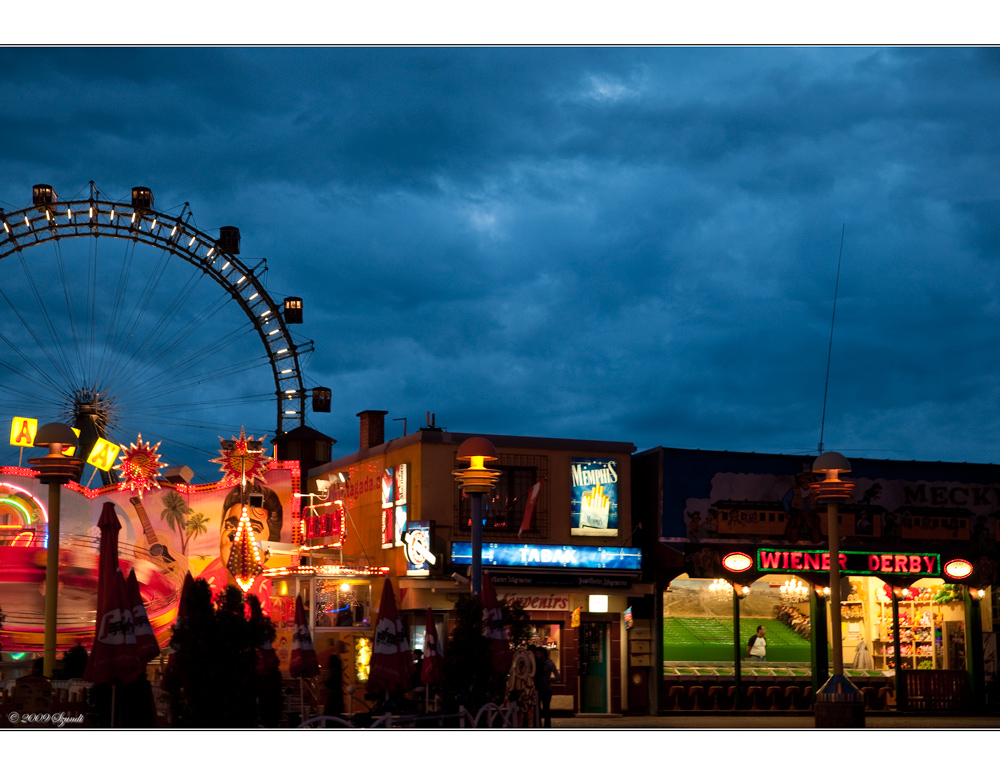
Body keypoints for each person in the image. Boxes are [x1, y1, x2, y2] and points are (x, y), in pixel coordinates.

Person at [533, 646, 561, 727]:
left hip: (546, 690)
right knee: (537, 710)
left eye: (538, 654)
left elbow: (558, 677)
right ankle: (538, 726)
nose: (536, 655)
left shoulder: (549, 663)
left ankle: (547, 727)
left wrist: (549, 680)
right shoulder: (536, 663)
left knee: (546, 710)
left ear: (543, 654)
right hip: (537, 689)